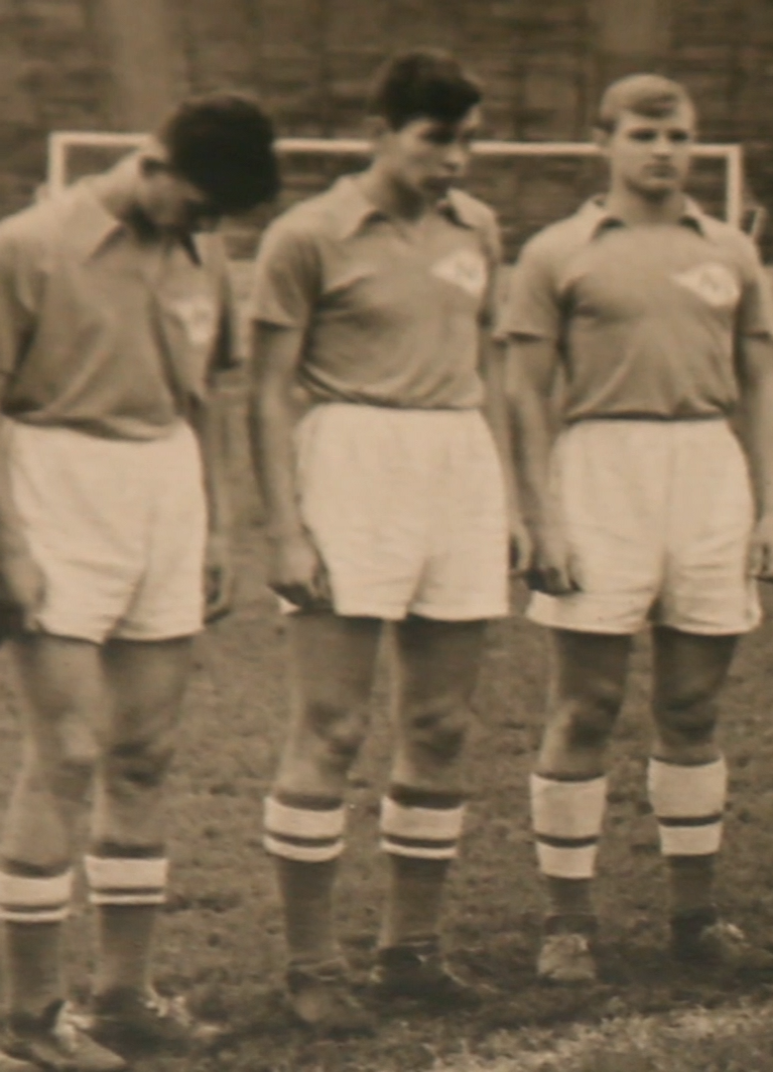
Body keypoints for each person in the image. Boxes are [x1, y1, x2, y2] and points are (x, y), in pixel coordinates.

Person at [0, 93, 279, 1070]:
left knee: (145, 755)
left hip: (165, 491)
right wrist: (10, 545)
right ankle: (28, 1019)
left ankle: (123, 996)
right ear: (153, 164)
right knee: (65, 753)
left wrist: (219, 525)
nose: (205, 224)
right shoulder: (28, 246)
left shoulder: (204, 250)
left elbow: (207, 399)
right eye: (198, 203)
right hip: (55, 486)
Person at [250, 49, 522, 1034]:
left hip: (457, 460)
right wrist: (285, 526)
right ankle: (310, 964)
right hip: (351, 461)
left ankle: (411, 951)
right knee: (332, 727)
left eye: (468, 142)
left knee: (441, 724)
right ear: (380, 134)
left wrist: (511, 497)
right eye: (437, 139)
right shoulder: (307, 234)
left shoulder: (477, 227)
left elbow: (489, 366)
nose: (455, 160)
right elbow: (266, 391)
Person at [504, 74, 773, 983]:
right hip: (601, 467)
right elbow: (522, 393)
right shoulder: (558, 252)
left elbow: (765, 382)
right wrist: (539, 516)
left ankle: (695, 916)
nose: (664, 151)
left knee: (693, 705)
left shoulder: (729, 250)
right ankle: (567, 924)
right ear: (605, 143)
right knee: (585, 704)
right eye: (643, 134)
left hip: (707, 465)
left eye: (677, 135)